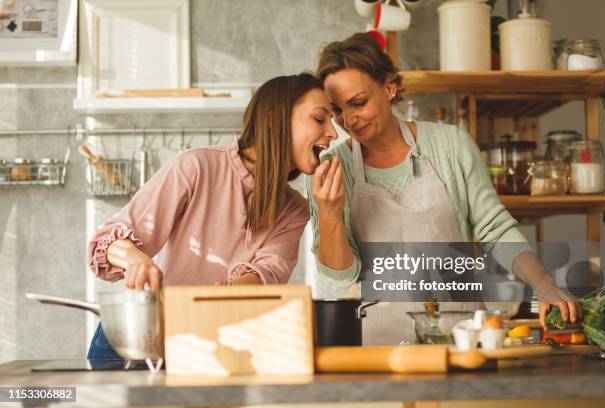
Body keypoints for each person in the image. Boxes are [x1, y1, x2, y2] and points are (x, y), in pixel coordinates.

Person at [307, 33, 580, 345]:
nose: (349, 121)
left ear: (389, 87)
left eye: (358, 103)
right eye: (337, 110)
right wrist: (328, 214)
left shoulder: (451, 146)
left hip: (460, 335)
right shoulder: (330, 168)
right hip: (380, 343)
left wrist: (544, 284)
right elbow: (341, 274)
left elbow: (496, 229)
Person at [86, 73, 338, 359]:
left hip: (210, 342)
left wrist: (229, 292)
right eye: (320, 119)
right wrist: (136, 260)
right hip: (137, 340)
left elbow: (268, 273)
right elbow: (106, 241)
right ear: (273, 119)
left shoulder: (294, 209)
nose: (333, 132)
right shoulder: (196, 166)